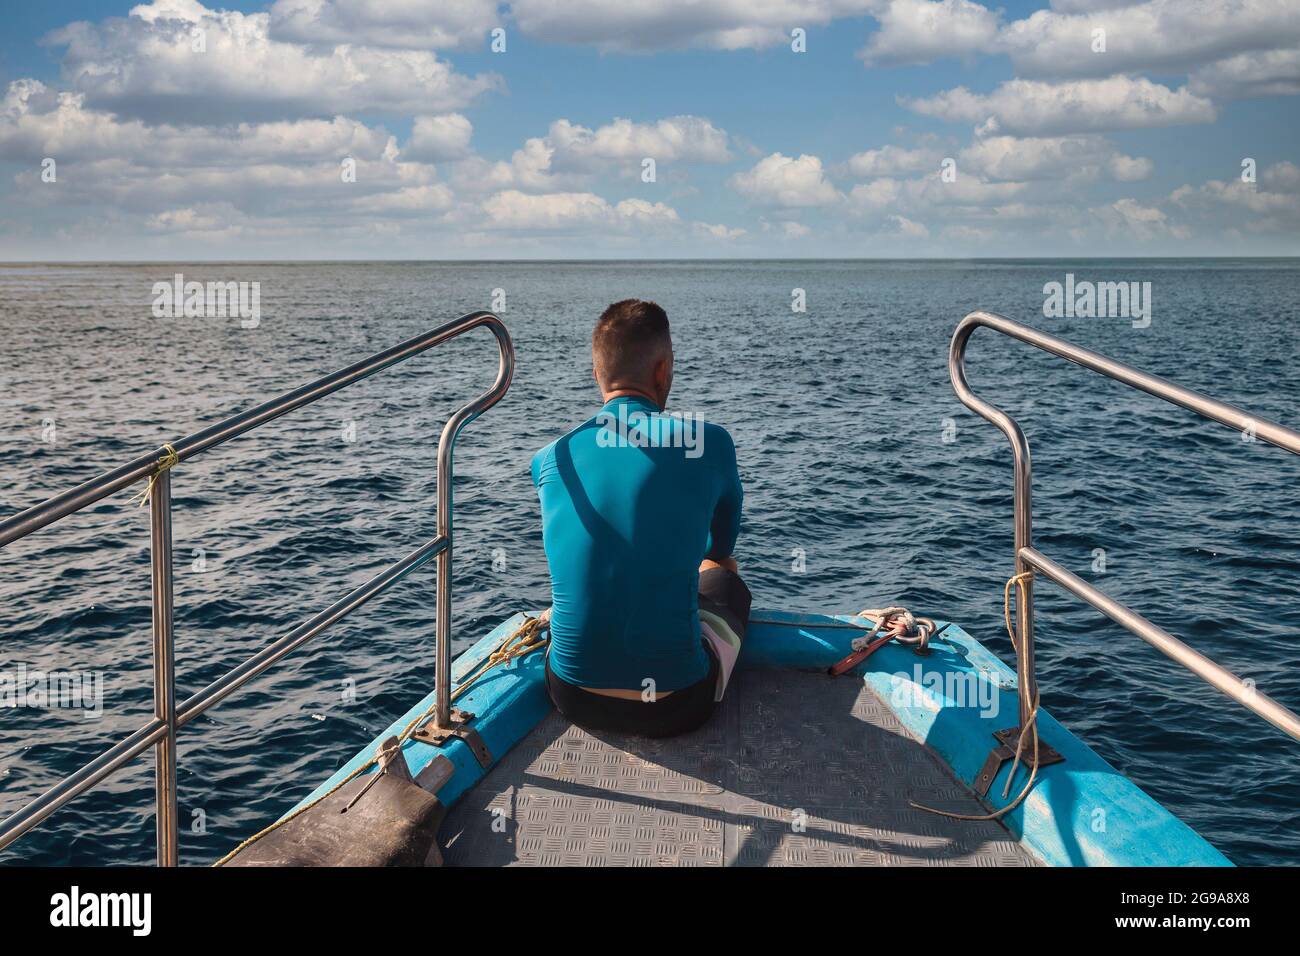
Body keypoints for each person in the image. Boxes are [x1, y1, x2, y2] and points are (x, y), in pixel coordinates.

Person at [531, 299, 751, 737]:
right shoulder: (708, 441)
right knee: (724, 577)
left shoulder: (549, 457)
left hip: (570, 695)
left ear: (597, 375)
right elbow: (721, 549)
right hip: (676, 705)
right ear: (663, 369)